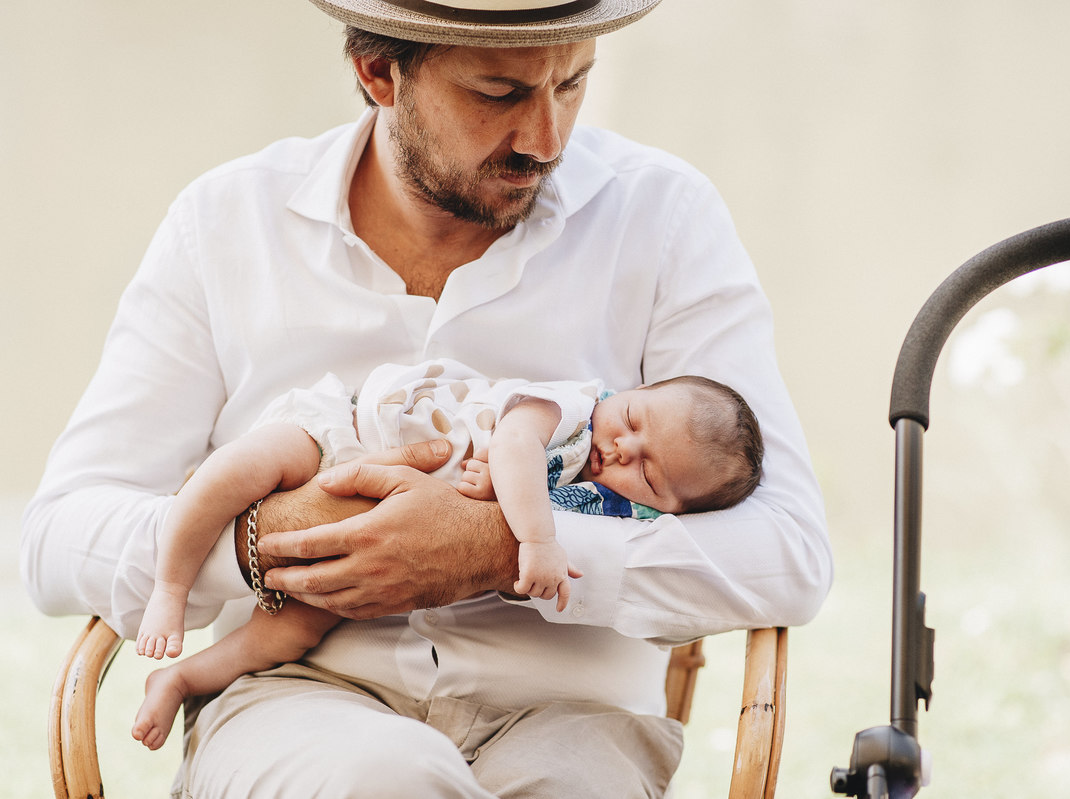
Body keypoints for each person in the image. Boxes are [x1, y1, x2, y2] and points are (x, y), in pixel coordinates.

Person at [21, 1, 833, 796]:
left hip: (574, 720)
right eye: (499, 94)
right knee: (391, 782)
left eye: (574, 84)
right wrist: (267, 540)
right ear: (379, 71)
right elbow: (58, 540)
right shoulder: (225, 225)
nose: (546, 139)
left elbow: (788, 549)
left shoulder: (663, 217)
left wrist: (498, 548)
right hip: (295, 701)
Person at [131, 358, 764, 750]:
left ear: (664, 510)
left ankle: (183, 677)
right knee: (237, 472)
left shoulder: (603, 504)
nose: (623, 448)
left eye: (650, 475)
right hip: (346, 434)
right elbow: (515, 448)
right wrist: (537, 542)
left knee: (288, 635)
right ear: (628, 392)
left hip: (370, 561)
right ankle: (171, 584)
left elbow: (493, 492)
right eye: (633, 417)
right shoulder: (572, 408)